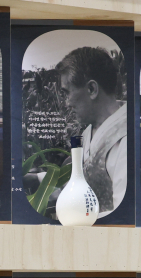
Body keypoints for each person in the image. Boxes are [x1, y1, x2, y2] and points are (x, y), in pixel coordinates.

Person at [55, 46, 127, 216]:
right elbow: (83, 174)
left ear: (92, 89)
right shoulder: (89, 131)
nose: (67, 103)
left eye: (67, 93)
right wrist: (38, 179)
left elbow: (124, 214)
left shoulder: (126, 140)